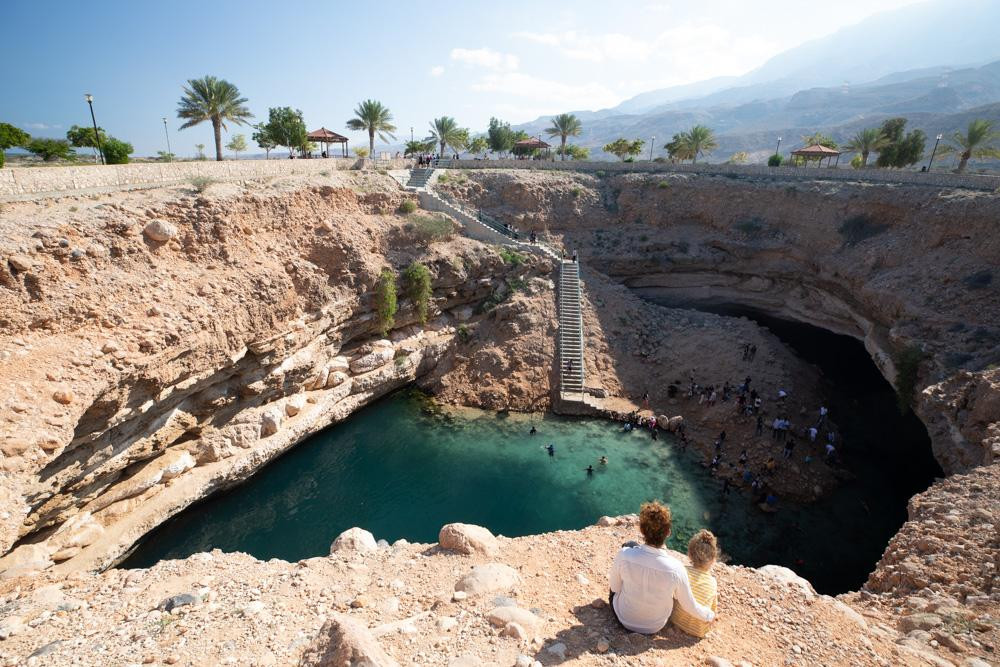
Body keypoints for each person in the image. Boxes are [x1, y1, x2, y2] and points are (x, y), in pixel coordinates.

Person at [608, 502, 715, 635]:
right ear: (668, 533)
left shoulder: (624, 555)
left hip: (623, 619)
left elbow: (615, 588)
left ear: (641, 530)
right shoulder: (676, 568)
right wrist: (709, 615)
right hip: (654, 626)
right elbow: (689, 605)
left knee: (630, 545)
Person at [669, 530, 719, 638]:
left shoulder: (682, 571)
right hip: (699, 630)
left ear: (689, 555)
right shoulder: (712, 582)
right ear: (713, 559)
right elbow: (713, 608)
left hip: (676, 620)